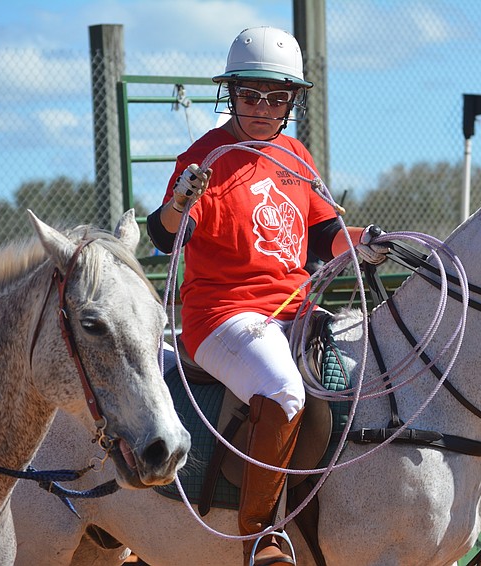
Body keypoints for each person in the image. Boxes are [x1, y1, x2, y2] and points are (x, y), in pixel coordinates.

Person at [146, 26, 388, 566]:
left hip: (295, 310)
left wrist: (365, 246)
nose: (262, 106)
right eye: (251, 94)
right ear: (231, 93)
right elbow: (164, 238)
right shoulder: (205, 156)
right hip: (222, 316)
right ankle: (263, 534)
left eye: (277, 96)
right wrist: (178, 203)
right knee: (283, 389)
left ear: (292, 101)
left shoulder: (295, 155)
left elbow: (326, 235)